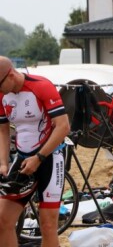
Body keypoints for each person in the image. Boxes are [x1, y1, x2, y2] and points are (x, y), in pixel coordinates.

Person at [0, 56, 70, 247]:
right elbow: (3, 130)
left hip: (50, 158)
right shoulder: (1, 94)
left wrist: (39, 158)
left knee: (47, 225)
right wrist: (3, 163)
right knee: (3, 221)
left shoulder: (41, 86)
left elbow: (63, 127)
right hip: (23, 159)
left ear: (11, 75)